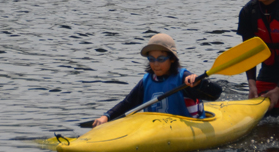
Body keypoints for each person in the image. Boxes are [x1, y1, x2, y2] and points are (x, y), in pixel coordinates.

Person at [92, 33, 222, 127]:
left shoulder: (184, 78)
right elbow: (128, 103)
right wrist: (106, 117)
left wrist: (199, 83)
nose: (155, 64)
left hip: (185, 128)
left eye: (160, 59)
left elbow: (216, 93)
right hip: (155, 129)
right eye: (151, 59)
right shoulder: (146, 81)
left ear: (172, 59)